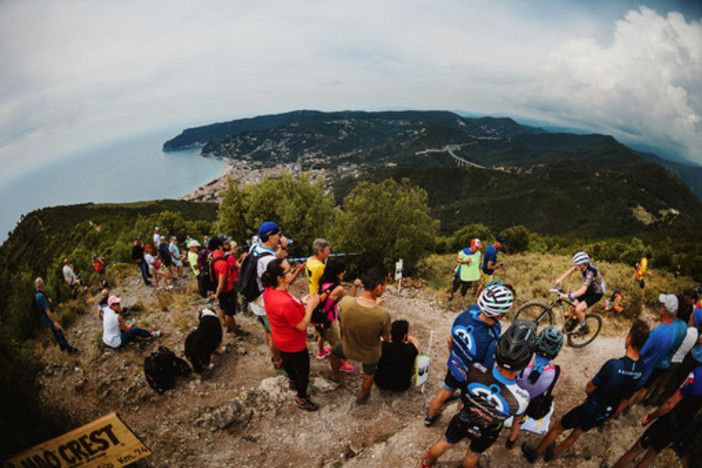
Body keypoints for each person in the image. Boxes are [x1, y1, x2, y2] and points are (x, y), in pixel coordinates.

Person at [522, 320, 650, 463]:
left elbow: (590, 387)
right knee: (576, 434)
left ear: (629, 338)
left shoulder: (613, 365)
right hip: (606, 411)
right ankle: (552, 453)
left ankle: (535, 453)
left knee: (558, 426)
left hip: (591, 407)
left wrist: (591, 395)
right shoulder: (641, 368)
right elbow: (627, 397)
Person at [420, 321, 535, 468]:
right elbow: (517, 421)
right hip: (488, 430)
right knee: (473, 455)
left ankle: (426, 462)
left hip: (464, 418)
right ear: (524, 363)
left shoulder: (475, 370)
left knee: (446, 441)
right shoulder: (522, 398)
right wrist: (512, 439)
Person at [424, 282, 515, 426]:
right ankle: (456, 425)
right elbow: (486, 368)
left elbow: (450, 340)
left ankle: (429, 419)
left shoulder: (468, 312)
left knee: (443, 393)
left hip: (455, 365)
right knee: (463, 401)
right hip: (470, 377)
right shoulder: (491, 337)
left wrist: (456, 357)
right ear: (499, 314)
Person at [612, 360, 702, 468]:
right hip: (682, 424)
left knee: (635, 450)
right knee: (651, 455)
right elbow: (698, 412)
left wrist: (651, 417)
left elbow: (670, 404)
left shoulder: (696, 374)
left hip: (669, 420)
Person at [261, 258, 321, 411]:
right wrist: (310, 307)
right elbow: (301, 326)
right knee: (303, 371)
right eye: (289, 270)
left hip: (279, 338)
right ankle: (302, 397)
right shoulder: (284, 301)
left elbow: (283, 312)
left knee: (288, 362)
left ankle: (292, 381)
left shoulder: (269, 291)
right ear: (280, 278)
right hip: (294, 343)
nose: (293, 270)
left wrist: (301, 302)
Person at [330, 267, 392, 404]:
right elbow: (386, 338)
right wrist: (377, 306)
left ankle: (335, 377)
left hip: (348, 348)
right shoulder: (383, 314)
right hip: (369, 355)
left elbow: (358, 309)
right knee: (368, 375)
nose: (384, 289)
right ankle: (362, 397)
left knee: (334, 353)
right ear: (378, 287)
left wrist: (374, 304)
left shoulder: (345, 302)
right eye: (384, 286)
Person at [248, 222, 304, 369]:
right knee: (274, 335)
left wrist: (283, 248)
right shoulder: (268, 260)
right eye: (279, 235)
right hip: (264, 303)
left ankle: (273, 351)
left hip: (255, 299)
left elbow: (275, 256)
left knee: (267, 330)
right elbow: (288, 280)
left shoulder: (256, 248)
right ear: (271, 237)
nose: (281, 237)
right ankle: (278, 360)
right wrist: (297, 270)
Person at [615, 294, 680, 415]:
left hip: (636, 371)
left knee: (621, 399)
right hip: (647, 372)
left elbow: (640, 352)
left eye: (661, 305)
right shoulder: (673, 332)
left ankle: (608, 418)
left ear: (664, 310)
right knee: (628, 397)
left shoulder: (657, 333)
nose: (660, 308)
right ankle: (618, 413)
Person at [506, 325, 563, 449]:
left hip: (511, 399)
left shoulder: (522, 367)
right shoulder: (556, 373)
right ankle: (511, 441)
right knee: (518, 420)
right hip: (528, 404)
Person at [314, 258, 357, 372]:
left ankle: (321, 351)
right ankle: (342, 364)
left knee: (322, 336)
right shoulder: (338, 289)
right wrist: (356, 287)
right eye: (343, 271)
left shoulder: (323, 282)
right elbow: (350, 302)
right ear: (338, 273)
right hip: (330, 320)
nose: (344, 272)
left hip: (320, 317)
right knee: (337, 345)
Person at [554, 251, 605, 334]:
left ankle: (584, 327)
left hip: (597, 293)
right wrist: (560, 279)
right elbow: (571, 270)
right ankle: (569, 326)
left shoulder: (590, 273)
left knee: (578, 309)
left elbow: (582, 291)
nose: (575, 266)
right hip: (590, 288)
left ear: (583, 265)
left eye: (577, 265)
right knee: (572, 307)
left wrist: (567, 296)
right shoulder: (583, 265)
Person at [210, 235, 248, 337]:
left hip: (219, 289)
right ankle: (235, 331)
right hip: (226, 290)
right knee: (229, 313)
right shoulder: (222, 263)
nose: (228, 245)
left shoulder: (214, 255)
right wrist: (217, 294)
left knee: (222, 308)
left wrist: (216, 292)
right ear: (220, 246)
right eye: (226, 243)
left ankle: (228, 326)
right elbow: (222, 284)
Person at [33, 277, 78, 354]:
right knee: (58, 329)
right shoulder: (40, 296)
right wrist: (54, 322)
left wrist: (47, 300)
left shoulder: (37, 294)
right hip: (45, 317)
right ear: (42, 284)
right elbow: (47, 311)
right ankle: (69, 349)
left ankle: (62, 346)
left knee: (54, 330)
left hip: (42, 317)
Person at [374, 320, 420, 391]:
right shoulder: (411, 349)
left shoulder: (382, 346)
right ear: (405, 335)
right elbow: (416, 341)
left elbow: (380, 337)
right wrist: (405, 337)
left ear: (391, 333)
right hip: (402, 385)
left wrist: (390, 336)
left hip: (380, 382)